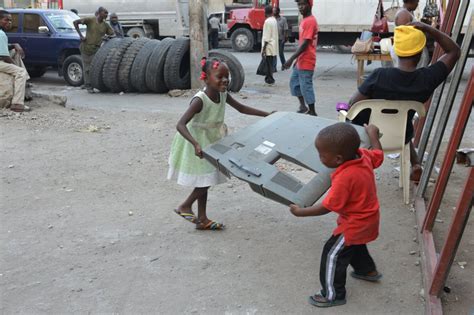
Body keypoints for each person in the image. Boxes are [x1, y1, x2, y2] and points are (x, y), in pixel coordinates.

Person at [168, 57, 272, 230]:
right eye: (219, 76)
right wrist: (195, 144)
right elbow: (180, 124)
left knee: (205, 178)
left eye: (227, 76)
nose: (225, 80)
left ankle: (202, 219)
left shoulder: (223, 94)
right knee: (207, 178)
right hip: (196, 142)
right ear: (206, 78)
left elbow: (242, 108)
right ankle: (185, 206)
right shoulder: (199, 100)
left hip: (211, 139)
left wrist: (267, 114)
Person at [349, 22, 460, 182]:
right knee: (404, 122)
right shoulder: (428, 79)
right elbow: (454, 51)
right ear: (421, 53)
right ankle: (415, 164)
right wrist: (428, 28)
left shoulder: (379, 75)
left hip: (368, 136)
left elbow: (353, 103)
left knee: (348, 118)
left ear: (395, 51)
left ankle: (353, 170)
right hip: (400, 136)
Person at [289, 122, 384, 308]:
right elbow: (379, 156)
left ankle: (332, 294)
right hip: (369, 218)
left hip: (354, 224)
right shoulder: (363, 155)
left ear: (339, 159)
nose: (319, 158)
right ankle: (367, 271)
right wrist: (373, 134)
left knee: (333, 254)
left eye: (322, 155)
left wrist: (301, 212)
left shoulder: (344, 177)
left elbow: (326, 207)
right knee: (355, 245)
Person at [283, 0, 318, 116]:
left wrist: (291, 58)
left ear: (309, 5)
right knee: (295, 83)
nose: (300, 7)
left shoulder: (310, 21)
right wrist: (297, 60)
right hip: (301, 60)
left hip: (307, 60)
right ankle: (303, 106)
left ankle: (312, 111)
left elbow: (305, 44)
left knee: (306, 86)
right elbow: (302, 43)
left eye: (303, 4)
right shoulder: (304, 20)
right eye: (299, 5)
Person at [73, 7, 114, 93]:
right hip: (86, 48)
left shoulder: (105, 25)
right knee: (87, 68)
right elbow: (75, 22)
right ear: (99, 13)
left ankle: (94, 84)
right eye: (105, 13)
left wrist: (107, 37)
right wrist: (80, 35)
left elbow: (112, 34)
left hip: (96, 49)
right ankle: (88, 86)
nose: (106, 15)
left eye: (107, 13)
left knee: (95, 67)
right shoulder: (90, 20)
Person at [0, 10, 30, 112]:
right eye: (6, 20)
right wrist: (16, 68)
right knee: (21, 72)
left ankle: (25, 80)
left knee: (14, 51)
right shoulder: (1, 34)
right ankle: (17, 103)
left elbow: (4, 48)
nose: (9, 22)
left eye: (10, 20)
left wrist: (14, 45)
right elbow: (4, 57)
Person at [261, 5, 279, 85]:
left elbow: (266, 37)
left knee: (268, 64)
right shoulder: (274, 20)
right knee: (270, 63)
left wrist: (264, 49)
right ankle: (269, 78)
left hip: (268, 46)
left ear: (265, 12)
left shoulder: (267, 21)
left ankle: (270, 79)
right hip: (273, 45)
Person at [273, 6, 288, 71]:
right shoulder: (272, 19)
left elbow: (285, 29)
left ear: (278, 11)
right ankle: (274, 67)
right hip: (274, 39)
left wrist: (284, 38)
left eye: (275, 11)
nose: (273, 12)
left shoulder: (283, 19)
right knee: (274, 53)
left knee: (281, 53)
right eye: (273, 11)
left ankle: (284, 65)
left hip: (281, 38)